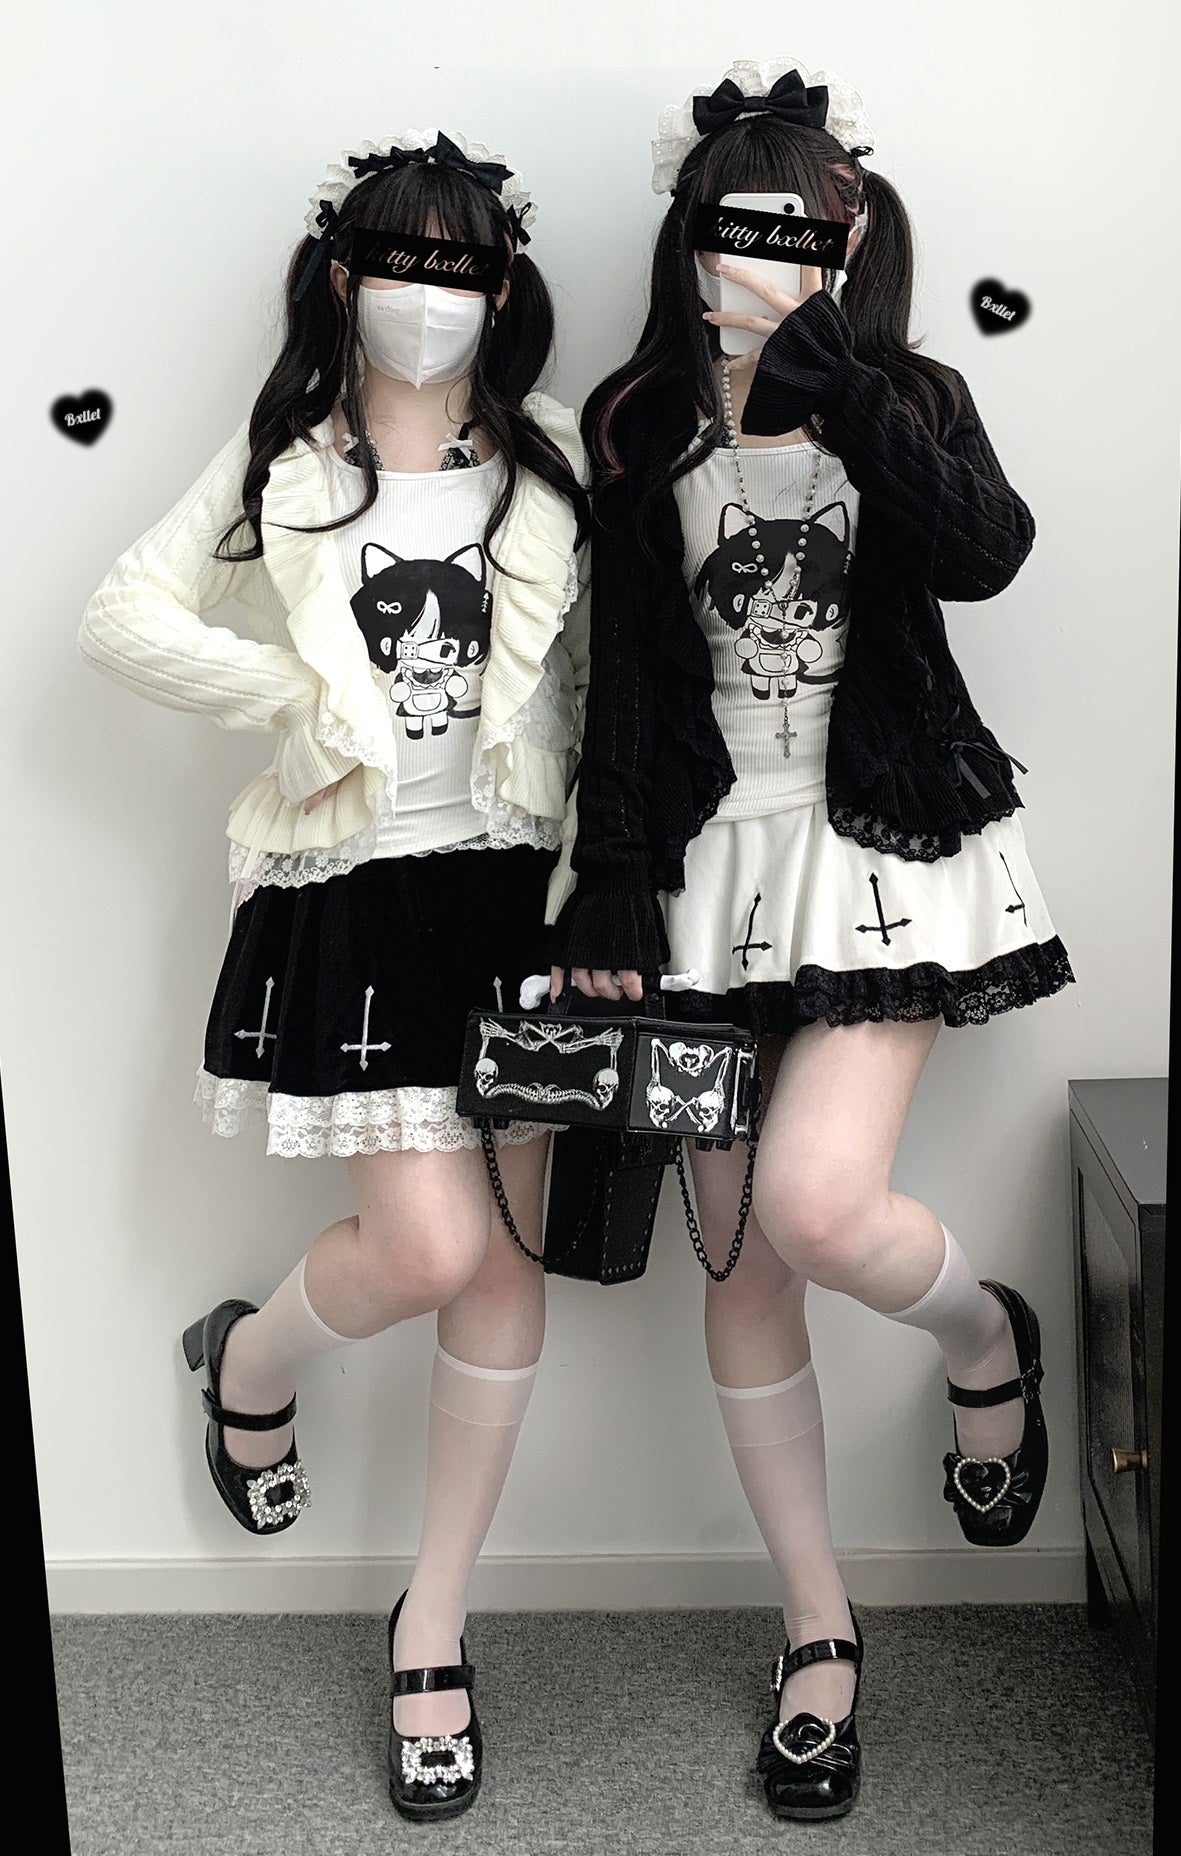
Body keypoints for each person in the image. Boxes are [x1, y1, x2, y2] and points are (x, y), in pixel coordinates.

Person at [546, 60, 1074, 1823]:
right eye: (736, 227)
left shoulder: (905, 393)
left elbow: (986, 555)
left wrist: (840, 383)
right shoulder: (638, 421)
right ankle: (818, 1634)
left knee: (816, 1205)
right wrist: (610, 874)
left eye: (801, 231)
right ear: (688, 238)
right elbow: (627, 672)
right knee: (742, 1264)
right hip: (704, 870)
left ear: (847, 243)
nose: (765, 257)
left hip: (880, 848)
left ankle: (983, 1337)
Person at [79, 127, 589, 1823]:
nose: (428, 296)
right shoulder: (281, 459)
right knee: (429, 1249)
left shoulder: (551, 463)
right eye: (401, 262)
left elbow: (608, 681)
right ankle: (251, 1363)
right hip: (357, 893)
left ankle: (430, 1623)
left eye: (460, 266)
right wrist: (295, 704)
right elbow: (122, 618)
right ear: (344, 274)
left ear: (500, 286)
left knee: (500, 1265)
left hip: (518, 896)